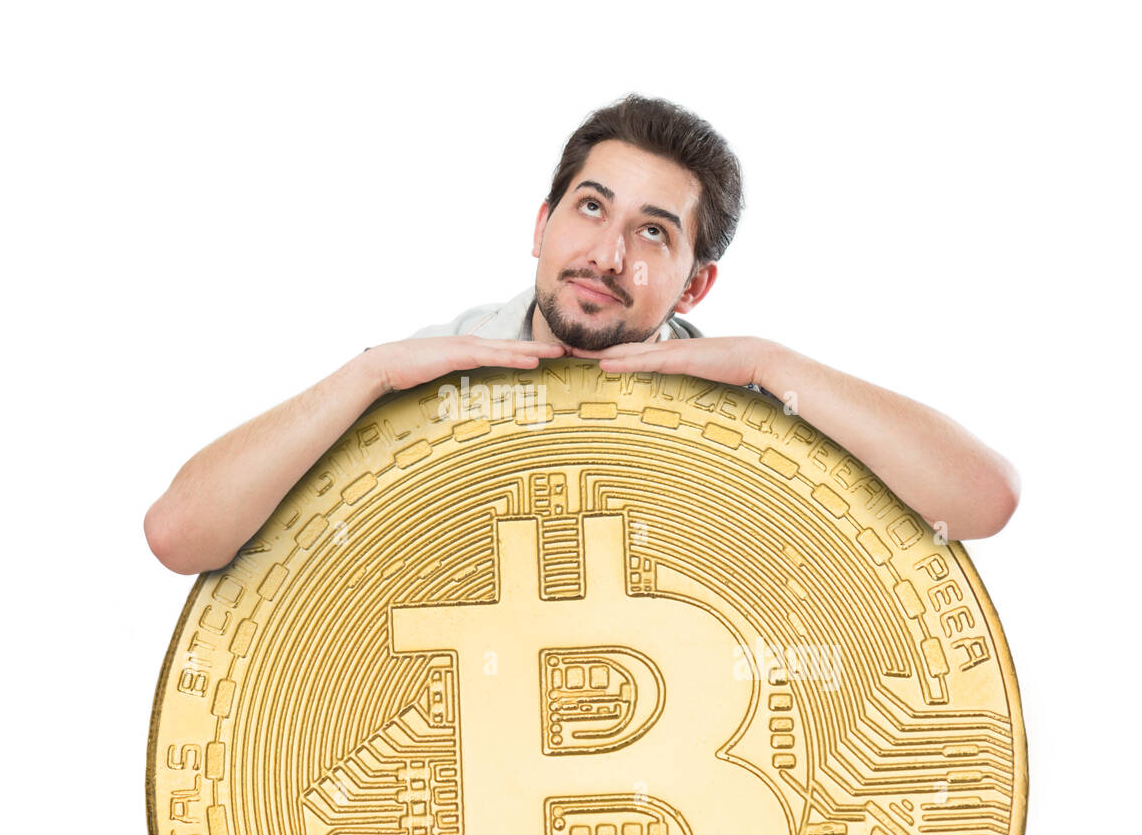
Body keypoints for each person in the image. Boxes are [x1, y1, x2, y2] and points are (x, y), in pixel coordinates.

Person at [144, 94, 1020, 575]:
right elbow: (180, 536)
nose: (606, 254)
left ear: (697, 280)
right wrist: (366, 376)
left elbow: (984, 501)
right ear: (541, 222)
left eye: (653, 232)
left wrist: (769, 363)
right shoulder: (421, 378)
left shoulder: (754, 415)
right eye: (590, 207)